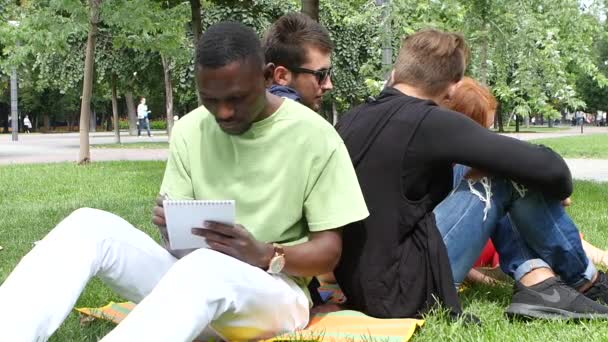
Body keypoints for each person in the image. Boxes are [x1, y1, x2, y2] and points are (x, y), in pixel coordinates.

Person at [0, 22, 369, 341]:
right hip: (193, 283)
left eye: (237, 99)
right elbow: (180, 250)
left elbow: (329, 250)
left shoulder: (315, 136)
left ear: (268, 75)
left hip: (276, 294)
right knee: (88, 225)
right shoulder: (191, 128)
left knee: (207, 268)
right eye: (211, 100)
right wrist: (170, 228)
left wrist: (264, 254)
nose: (223, 112)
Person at [334, 28, 608, 320]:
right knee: (502, 172)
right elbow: (552, 170)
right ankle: (586, 282)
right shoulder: (429, 121)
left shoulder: (353, 119)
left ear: (396, 71)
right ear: (452, 88)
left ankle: (538, 281)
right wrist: (553, 189)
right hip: (404, 291)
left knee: (489, 165)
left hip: (361, 285)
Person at [446, 77, 608, 285]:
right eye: (482, 132)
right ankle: (557, 280)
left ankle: (547, 278)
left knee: (509, 185)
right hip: (464, 256)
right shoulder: (448, 172)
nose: (486, 139)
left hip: (495, 243)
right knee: (501, 177)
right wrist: (487, 282)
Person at [263, 13, 334, 112]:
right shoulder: (301, 124)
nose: (329, 85)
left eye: (329, 72)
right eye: (321, 75)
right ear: (281, 76)